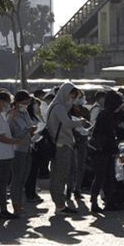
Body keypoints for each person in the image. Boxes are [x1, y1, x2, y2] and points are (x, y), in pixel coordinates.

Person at [46, 83, 84, 215]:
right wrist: (81, 122)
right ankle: (60, 205)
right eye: (71, 95)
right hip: (61, 145)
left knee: (58, 175)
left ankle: (59, 203)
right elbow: (67, 123)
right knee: (60, 176)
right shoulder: (59, 108)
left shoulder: (56, 106)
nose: (72, 99)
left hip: (60, 144)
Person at [0, 92, 25, 220]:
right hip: (2, 154)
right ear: (2, 102)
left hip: (5, 153)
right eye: (8, 102)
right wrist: (16, 141)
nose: (8, 105)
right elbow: (1, 137)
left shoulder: (0, 116)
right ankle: (1, 209)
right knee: (1, 183)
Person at [89, 90, 124, 213]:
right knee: (102, 177)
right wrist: (115, 149)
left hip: (104, 150)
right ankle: (96, 202)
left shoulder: (107, 113)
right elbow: (109, 134)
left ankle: (108, 201)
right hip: (102, 150)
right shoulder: (106, 115)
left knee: (107, 177)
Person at [7, 91, 36, 215]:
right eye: (24, 102)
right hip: (17, 149)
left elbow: (29, 128)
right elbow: (12, 133)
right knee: (17, 179)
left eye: (28, 102)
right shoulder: (12, 115)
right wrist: (26, 131)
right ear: (18, 102)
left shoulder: (25, 114)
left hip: (27, 147)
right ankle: (16, 205)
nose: (26, 104)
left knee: (24, 177)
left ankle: (19, 203)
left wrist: (32, 131)